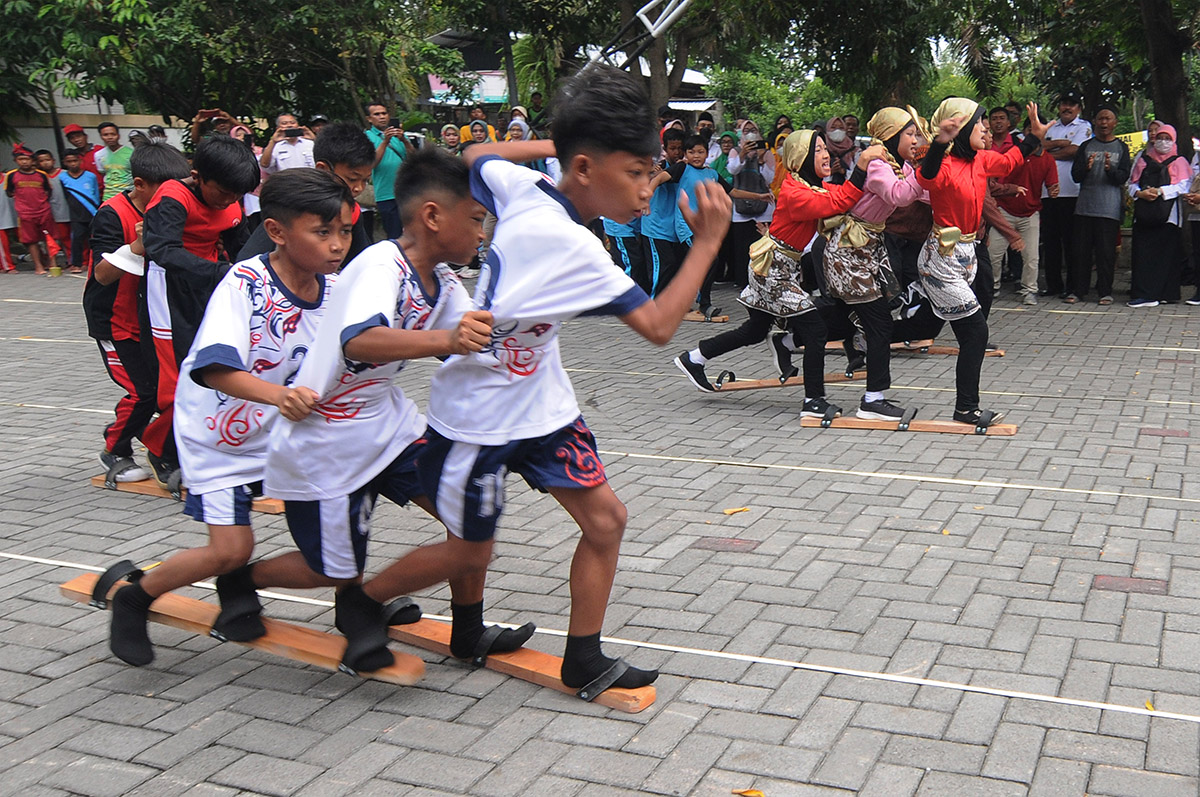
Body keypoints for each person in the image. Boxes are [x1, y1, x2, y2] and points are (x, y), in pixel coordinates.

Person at [418, 64, 729, 697]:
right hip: (478, 407)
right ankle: (426, 617)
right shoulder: (573, 245)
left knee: (606, 520)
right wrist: (708, 242)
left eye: (651, 173)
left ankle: (582, 656)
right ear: (585, 169)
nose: (648, 189)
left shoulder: (527, 184)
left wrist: (561, 145)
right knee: (469, 541)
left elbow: (477, 152)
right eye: (636, 172)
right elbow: (659, 325)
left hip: (540, 401)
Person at [212, 148, 495, 674]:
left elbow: (483, 340)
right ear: (433, 216)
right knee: (329, 568)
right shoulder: (379, 264)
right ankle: (244, 580)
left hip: (389, 425)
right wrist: (449, 338)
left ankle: (459, 627)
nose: (483, 234)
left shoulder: (447, 281)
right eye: (477, 220)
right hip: (324, 437)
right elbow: (360, 341)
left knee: (470, 526)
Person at [105, 168, 354, 667]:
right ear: (277, 231)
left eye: (345, 231)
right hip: (219, 436)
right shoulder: (245, 284)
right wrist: (279, 397)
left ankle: (244, 589)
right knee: (228, 550)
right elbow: (215, 369)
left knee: (333, 559)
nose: (337, 246)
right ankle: (135, 595)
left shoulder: (337, 289)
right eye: (322, 232)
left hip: (286, 433)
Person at [676, 129, 886, 418]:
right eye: (818, 150)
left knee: (755, 330)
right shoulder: (794, 190)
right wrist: (862, 167)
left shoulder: (813, 185)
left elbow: (846, 195)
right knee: (816, 330)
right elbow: (836, 203)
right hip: (772, 269)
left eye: (825, 149)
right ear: (800, 157)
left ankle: (694, 358)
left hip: (778, 265)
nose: (826, 155)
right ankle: (813, 401)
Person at [916, 98, 1050, 426]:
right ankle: (966, 409)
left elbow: (1010, 161)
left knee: (935, 329)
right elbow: (926, 176)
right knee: (975, 333)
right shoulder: (944, 164)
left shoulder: (980, 160)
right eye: (979, 123)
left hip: (966, 256)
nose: (985, 128)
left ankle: (865, 334)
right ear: (960, 129)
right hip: (940, 261)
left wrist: (1034, 135)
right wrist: (939, 142)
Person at [141, 135, 259, 487]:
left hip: (210, 284)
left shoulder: (232, 199)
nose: (230, 200)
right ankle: (162, 449)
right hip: (169, 288)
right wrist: (218, 272)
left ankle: (216, 446)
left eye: (237, 194)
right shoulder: (172, 198)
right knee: (178, 375)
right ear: (198, 176)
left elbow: (240, 246)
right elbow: (161, 250)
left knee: (219, 366)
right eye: (223, 192)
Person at [84, 142, 193, 483]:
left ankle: (165, 453)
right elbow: (101, 274)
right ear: (141, 185)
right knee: (142, 391)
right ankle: (114, 449)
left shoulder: (177, 211)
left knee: (169, 390)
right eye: (164, 193)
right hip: (116, 321)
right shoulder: (113, 213)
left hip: (156, 319)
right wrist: (136, 247)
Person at [821, 107, 927, 421]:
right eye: (909, 134)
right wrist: (926, 169)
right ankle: (872, 400)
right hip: (850, 248)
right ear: (892, 135)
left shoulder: (902, 164)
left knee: (849, 315)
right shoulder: (879, 164)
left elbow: (923, 194)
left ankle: (788, 337)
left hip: (869, 246)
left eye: (915, 134)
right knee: (879, 322)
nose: (915, 139)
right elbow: (900, 196)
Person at [238, 121, 376, 264]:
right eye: (352, 179)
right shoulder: (294, 206)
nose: (359, 188)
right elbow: (248, 260)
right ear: (323, 169)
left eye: (365, 180)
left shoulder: (352, 211)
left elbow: (360, 261)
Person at [986, 116, 1058, 305]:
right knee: (993, 253)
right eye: (1029, 131)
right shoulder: (1012, 154)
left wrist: (1054, 190)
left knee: (1031, 257)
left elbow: (1053, 186)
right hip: (1005, 211)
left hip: (1030, 213)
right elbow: (996, 183)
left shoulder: (1048, 160)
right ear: (1025, 133)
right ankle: (992, 288)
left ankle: (1029, 290)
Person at [1068, 104, 1130, 305]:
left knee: (1105, 254)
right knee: (1081, 252)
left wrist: (1110, 169)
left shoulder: (1121, 147)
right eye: (1100, 118)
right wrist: (1086, 168)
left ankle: (1105, 292)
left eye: (1108, 119)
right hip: (1085, 207)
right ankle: (1079, 291)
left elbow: (1122, 177)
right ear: (1094, 121)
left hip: (1108, 209)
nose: (1104, 122)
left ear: (1115, 123)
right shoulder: (1086, 146)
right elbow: (1075, 176)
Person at [1128, 124, 1192, 307]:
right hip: (1145, 215)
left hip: (1169, 216)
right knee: (1144, 254)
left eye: (1167, 138)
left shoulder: (1179, 161)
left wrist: (1161, 191)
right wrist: (1140, 193)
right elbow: (1132, 183)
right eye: (1160, 137)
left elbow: (1184, 185)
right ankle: (1145, 294)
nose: (1163, 142)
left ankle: (1166, 293)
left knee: (1167, 255)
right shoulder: (1143, 160)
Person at [1039, 92, 1092, 298]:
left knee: (1071, 242)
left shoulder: (1083, 127)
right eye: (1064, 104)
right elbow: (1038, 146)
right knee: (1050, 242)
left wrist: (1048, 152)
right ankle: (1053, 285)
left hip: (1071, 192)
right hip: (1048, 192)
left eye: (1072, 104)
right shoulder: (1051, 126)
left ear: (1078, 108)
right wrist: (1059, 143)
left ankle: (1072, 286)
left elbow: (1075, 151)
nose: (1067, 108)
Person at [640, 127, 687, 296]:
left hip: (675, 229)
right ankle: (655, 302)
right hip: (655, 228)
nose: (677, 152)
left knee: (675, 266)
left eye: (680, 148)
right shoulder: (658, 168)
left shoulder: (685, 168)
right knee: (663, 265)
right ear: (665, 149)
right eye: (673, 149)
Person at [727, 129, 775, 288]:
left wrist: (761, 159)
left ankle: (761, 279)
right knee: (742, 248)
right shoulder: (735, 151)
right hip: (741, 208)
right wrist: (743, 155)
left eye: (754, 130)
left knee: (762, 246)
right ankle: (743, 281)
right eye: (747, 131)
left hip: (763, 209)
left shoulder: (767, 154)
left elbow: (769, 179)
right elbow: (732, 170)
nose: (750, 133)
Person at [364, 100, 414, 239]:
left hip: (407, 192)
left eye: (384, 113)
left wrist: (404, 140)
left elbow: (414, 159)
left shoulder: (399, 135)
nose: (382, 117)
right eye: (377, 114)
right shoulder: (367, 136)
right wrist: (385, 141)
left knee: (413, 233)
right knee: (395, 235)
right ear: (369, 119)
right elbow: (372, 163)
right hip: (386, 194)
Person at [4, 144, 54, 274]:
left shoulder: (42, 175)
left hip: (44, 210)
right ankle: (38, 266)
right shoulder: (11, 176)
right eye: (21, 159)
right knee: (31, 240)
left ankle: (53, 263)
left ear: (33, 160)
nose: (24, 162)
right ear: (16, 161)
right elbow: (9, 193)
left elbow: (48, 191)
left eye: (27, 159)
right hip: (25, 213)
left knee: (49, 237)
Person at [58, 149, 102, 274]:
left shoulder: (90, 176)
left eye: (75, 161)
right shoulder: (62, 177)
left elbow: (96, 193)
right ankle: (77, 263)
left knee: (95, 239)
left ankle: (96, 262)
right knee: (76, 239)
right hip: (76, 215)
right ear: (64, 162)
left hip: (92, 212)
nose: (73, 164)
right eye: (69, 161)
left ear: (80, 160)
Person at [34, 149, 73, 268]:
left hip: (64, 210)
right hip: (46, 213)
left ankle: (71, 260)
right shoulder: (37, 177)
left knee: (66, 238)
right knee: (49, 239)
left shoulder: (64, 174)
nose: (45, 163)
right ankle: (50, 261)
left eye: (47, 160)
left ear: (53, 160)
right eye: (41, 161)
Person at [95, 122, 134, 201]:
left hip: (129, 195)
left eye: (113, 134)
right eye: (105, 135)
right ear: (101, 137)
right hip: (108, 197)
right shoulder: (98, 155)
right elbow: (103, 173)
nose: (110, 137)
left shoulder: (132, 153)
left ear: (118, 136)